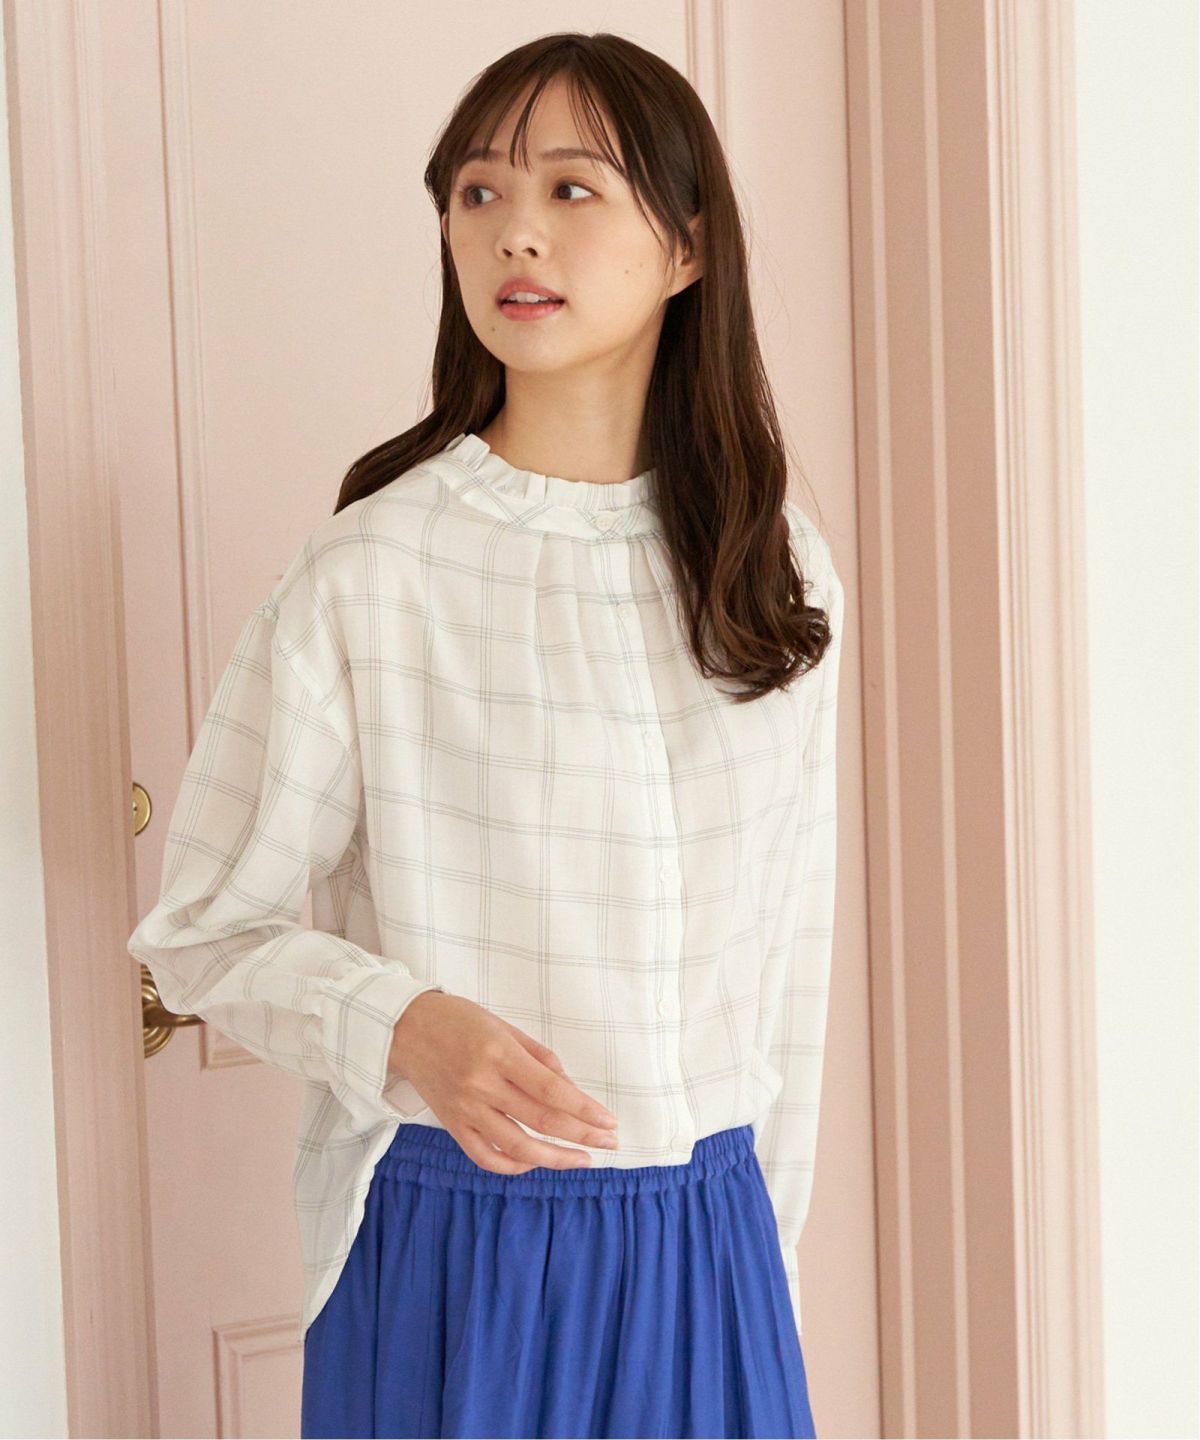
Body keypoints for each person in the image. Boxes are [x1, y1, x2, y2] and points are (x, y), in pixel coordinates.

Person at [128, 29, 844, 1440]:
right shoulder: (373, 572)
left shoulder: (770, 571)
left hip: (712, 1244)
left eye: (573, 188)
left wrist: (763, 1270)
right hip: (457, 1245)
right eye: (477, 192)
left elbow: (789, 963)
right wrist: (404, 1024)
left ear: (688, 246)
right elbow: (201, 932)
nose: (515, 229)